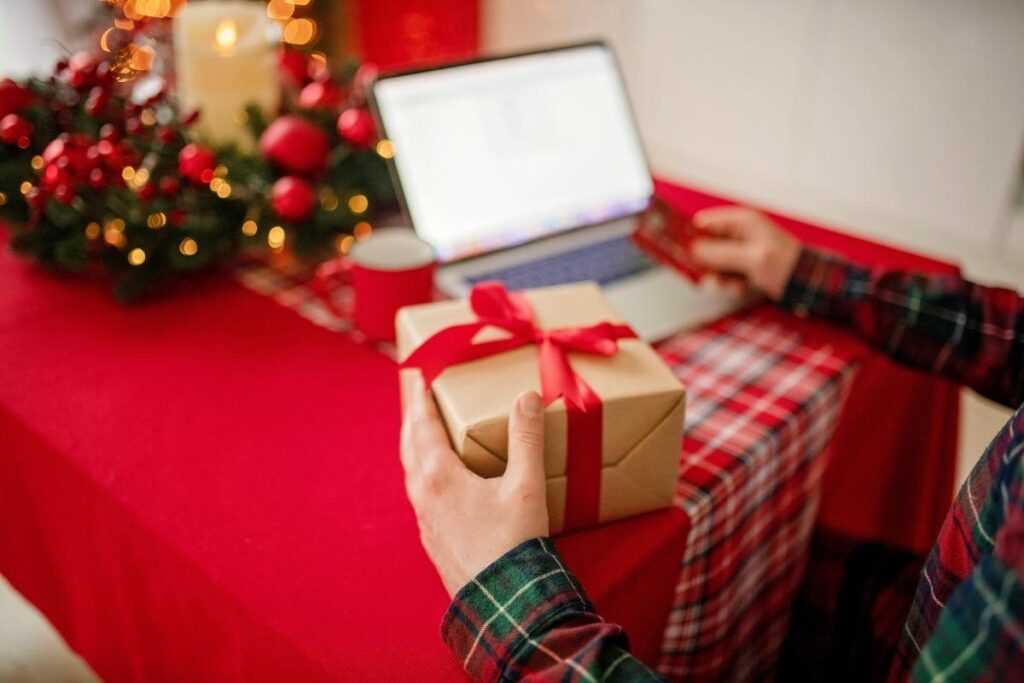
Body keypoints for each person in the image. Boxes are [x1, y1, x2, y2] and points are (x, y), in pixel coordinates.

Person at [399, 206, 1024, 681]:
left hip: (924, 638)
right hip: (934, 600)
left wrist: (504, 593)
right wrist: (812, 276)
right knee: (763, 551)